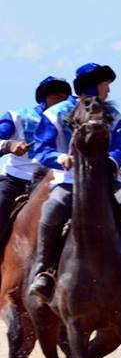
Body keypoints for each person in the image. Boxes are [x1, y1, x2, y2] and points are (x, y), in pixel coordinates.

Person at [28, 63, 121, 302]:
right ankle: (45, 272)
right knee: (51, 211)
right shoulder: (55, 114)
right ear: (93, 86)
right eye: (105, 85)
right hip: (68, 182)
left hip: (106, 181)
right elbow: (41, 149)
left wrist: (111, 163)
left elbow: (120, 147)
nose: (108, 91)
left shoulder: (113, 115)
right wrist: (60, 158)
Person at [0, 76, 71, 243]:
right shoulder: (17, 116)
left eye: (63, 97)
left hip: (57, 182)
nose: (60, 101)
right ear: (44, 98)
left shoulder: (71, 123)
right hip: (16, 182)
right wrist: (9, 145)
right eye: (55, 96)